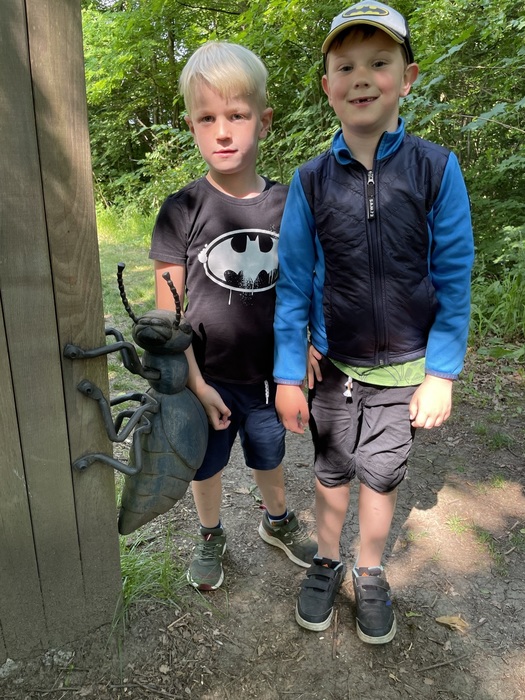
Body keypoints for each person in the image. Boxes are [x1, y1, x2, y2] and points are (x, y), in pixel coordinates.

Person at [273, 1, 474, 644]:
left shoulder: (436, 169)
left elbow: (454, 277)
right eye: (346, 66)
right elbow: (293, 283)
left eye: (379, 63)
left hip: (406, 370)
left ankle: (370, 569)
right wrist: (288, 372)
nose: (361, 77)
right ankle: (327, 561)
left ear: (407, 78)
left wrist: (441, 373)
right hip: (334, 367)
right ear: (327, 86)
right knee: (332, 469)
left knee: (382, 475)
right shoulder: (309, 182)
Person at [149, 41, 317, 592]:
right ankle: (210, 534)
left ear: (263, 122)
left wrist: (305, 345)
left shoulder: (290, 204)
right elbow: (169, 318)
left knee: (269, 453)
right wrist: (195, 385)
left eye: (237, 116)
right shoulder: (181, 209)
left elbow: (303, 286)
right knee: (207, 463)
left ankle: (277, 521)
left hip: (269, 377)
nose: (222, 131)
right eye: (207, 118)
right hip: (208, 376)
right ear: (192, 127)